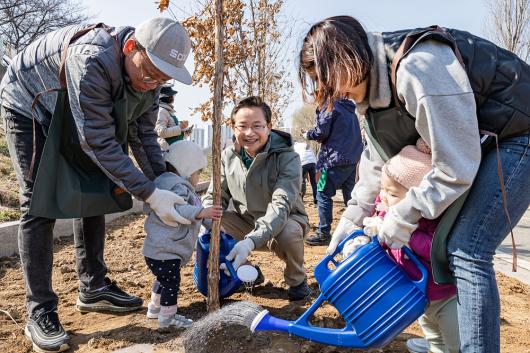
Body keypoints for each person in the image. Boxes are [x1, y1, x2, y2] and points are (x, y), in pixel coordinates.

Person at [298, 16, 530, 353]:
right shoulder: (368, 92)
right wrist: (348, 224)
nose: (332, 92)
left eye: (329, 79)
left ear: (349, 57)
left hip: (519, 132)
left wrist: (402, 216)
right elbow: (378, 162)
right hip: (480, 142)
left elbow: (456, 167)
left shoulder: (418, 67)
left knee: (467, 249)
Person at [0, 17, 194, 352]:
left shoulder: (151, 82)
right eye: (148, 72)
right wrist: (148, 193)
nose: (152, 83)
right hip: (31, 103)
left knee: (94, 187)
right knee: (37, 202)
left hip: (79, 112)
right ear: (131, 47)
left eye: (161, 78)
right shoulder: (91, 59)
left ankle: (93, 287)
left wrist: (162, 180)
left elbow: (143, 135)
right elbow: (99, 142)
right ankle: (40, 311)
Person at [344, 139, 459, 353]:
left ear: (417, 198)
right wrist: (364, 240)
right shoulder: (386, 212)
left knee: (455, 343)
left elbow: (434, 249)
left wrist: (408, 235)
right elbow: (381, 241)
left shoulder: (430, 221)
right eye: (383, 190)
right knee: (434, 337)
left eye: (393, 193)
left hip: (446, 297)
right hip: (419, 297)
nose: (384, 197)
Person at [202, 96, 312, 301]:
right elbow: (216, 196)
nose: (249, 133)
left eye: (257, 126)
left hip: (283, 222)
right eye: (242, 126)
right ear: (233, 127)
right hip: (246, 222)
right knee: (212, 221)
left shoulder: (288, 158)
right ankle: (245, 274)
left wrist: (250, 242)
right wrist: (206, 214)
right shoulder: (227, 156)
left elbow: (281, 205)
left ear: (269, 127)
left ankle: (297, 280)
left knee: (289, 232)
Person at [143, 140, 222, 330]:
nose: (197, 177)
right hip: (167, 249)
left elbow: (195, 208)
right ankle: (167, 318)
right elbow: (180, 208)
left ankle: (154, 309)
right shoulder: (178, 188)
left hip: (155, 250)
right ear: (186, 168)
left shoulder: (163, 183)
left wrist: (210, 223)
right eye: (197, 172)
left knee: (162, 280)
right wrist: (202, 213)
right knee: (171, 283)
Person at [303, 98, 363, 246]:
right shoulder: (349, 109)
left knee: (322, 194)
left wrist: (308, 135)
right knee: (351, 197)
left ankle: (323, 233)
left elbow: (321, 132)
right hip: (352, 159)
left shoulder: (329, 106)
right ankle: (356, 230)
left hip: (332, 160)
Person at [155, 84, 191, 151]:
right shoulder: (162, 111)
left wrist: (184, 132)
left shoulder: (167, 111)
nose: (173, 97)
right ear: (169, 97)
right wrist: (180, 127)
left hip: (173, 150)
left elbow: (174, 131)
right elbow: (161, 132)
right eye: (172, 96)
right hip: (166, 151)